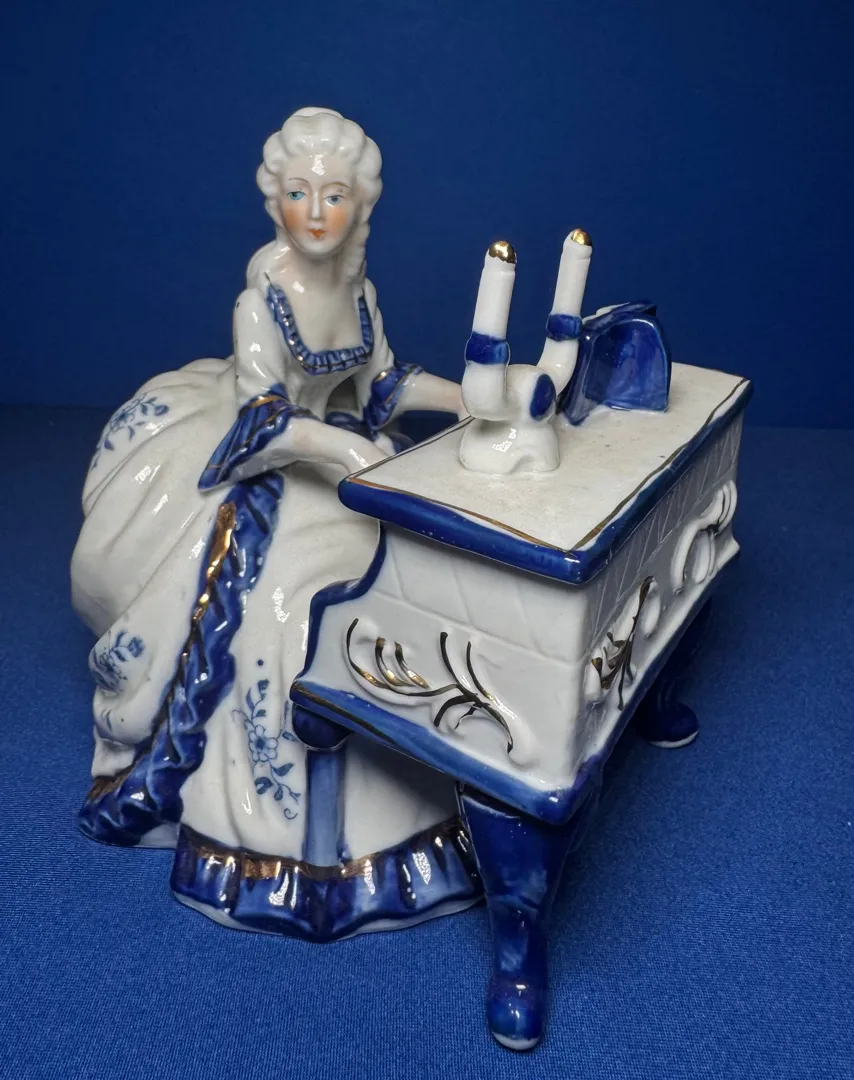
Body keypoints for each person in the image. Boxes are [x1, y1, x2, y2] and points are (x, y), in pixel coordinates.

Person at [72, 107, 480, 940]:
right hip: (269, 476)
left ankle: (424, 804)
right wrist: (344, 451)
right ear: (275, 204)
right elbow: (261, 422)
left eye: (334, 195)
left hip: (350, 463)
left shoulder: (359, 292)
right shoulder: (260, 303)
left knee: (419, 583)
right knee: (286, 617)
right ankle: (286, 852)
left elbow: (383, 387)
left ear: (361, 206)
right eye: (299, 194)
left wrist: (470, 399)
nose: (316, 213)